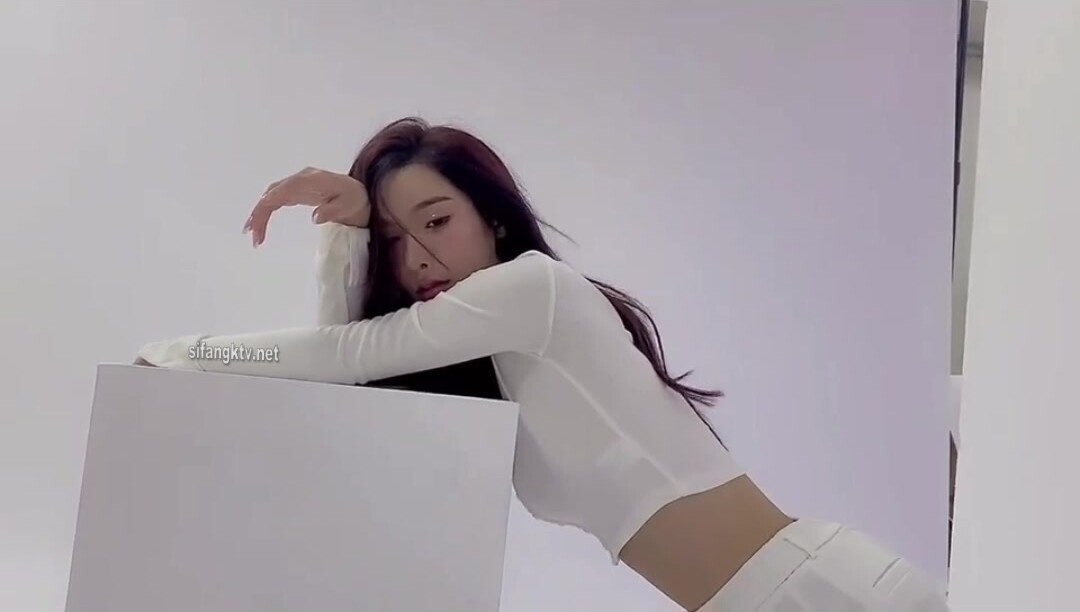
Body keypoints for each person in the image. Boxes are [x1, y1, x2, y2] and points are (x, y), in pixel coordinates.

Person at [135, 117, 951, 611]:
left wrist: (179, 355)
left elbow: (346, 356)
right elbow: (355, 380)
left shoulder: (534, 291)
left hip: (820, 593)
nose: (417, 257)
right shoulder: (496, 361)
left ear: (491, 217)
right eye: (391, 241)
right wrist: (346, 239)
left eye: (436, 221)